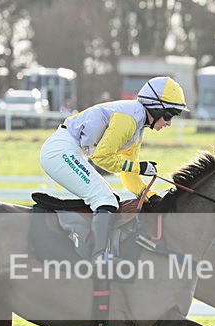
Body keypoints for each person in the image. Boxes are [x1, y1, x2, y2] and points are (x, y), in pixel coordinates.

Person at [39, 76, 188, 259]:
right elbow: (102, 158)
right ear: (155, 108)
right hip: (60, 151)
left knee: (110, 199)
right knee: (104, 198)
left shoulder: (137, 126)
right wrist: (139, 167)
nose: (169, 123)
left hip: (70, 150)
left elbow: (128, 174)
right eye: (168, 115)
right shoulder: (129, 120)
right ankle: (98, 257)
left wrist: (150, 196)